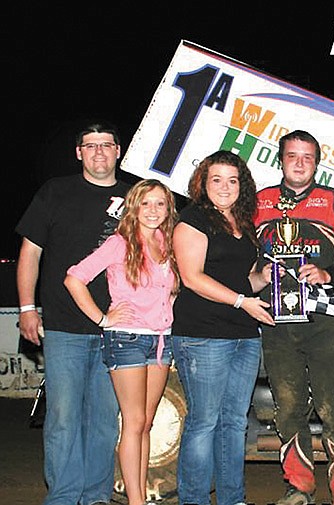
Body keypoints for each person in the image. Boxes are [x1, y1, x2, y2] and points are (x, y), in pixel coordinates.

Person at [16, 121, 130, 505]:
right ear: (78, 152)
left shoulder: (136, 197)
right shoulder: (55, 192)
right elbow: (30, 253)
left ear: (119, 150)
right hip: (63, 326)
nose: (99, 152)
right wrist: (28, 308)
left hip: (118, 329)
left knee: (102, 419)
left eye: (106, 145)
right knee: (63, 418)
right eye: (90, 145)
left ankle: (96, 495)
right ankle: (64, 496)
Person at [255, 130, 334, 505]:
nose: (300, 163)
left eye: (307, 157)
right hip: (275, 323)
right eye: (292, 156)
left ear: (317, 163)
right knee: (288, 410)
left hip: (323, 324)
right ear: (281, 159)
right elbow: (239, 254)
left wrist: (328, 273)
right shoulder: (258, 202)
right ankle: (298, 488)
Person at [64, 179, 179, 505]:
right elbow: (74, 278)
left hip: (160, 340)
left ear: (168, 208)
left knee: (145, 423)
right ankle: (136, 500)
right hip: (126, 337)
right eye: (146, 203)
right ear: (134, 207)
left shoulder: (166, 242)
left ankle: (139, 495)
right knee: (132, 422)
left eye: (160, 203)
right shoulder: (119, 243)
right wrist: (102, 319)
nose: (153, 210)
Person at [172, 150, 275, 505]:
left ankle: (233, 498)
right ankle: (195, 499)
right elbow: (192, 277)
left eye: (233, 180)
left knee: (235, 422)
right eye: (216, 179)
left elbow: (244, 280)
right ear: (203, 183)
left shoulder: (243, 223)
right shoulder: (193, 218)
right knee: (204, 422)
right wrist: (240, 301)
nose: (225, 187)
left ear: (242, 186)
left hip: (243, 333)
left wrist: (264, 278)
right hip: (202, 334)